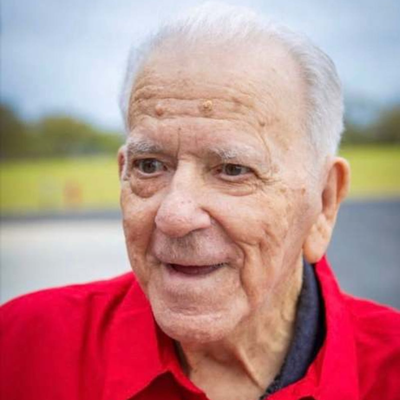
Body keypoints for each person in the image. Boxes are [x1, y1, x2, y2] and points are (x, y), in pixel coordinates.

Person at [1, 3, 399, 400]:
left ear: (324, 200)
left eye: (233, 169)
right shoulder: (21, 347)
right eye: (150, 165)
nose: (175, 216)